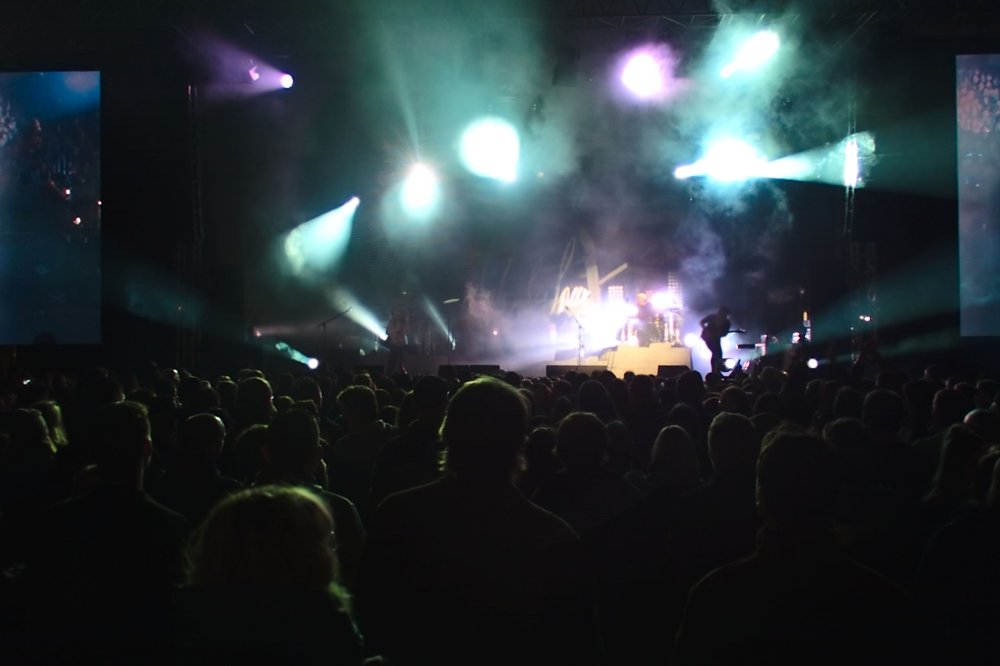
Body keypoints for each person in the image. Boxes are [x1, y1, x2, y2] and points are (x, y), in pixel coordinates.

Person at [699, 306, 732, 375]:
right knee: (715, 353)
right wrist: (706, 330)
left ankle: (716, 371)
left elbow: (724, 334)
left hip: (716, 339)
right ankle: (715, 371)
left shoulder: (727, 323)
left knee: (719, 354)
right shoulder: (712, 317)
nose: (721, 315)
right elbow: (701, 322)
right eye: (720, 313)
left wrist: (719, 333)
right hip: (707, 338)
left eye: (723, 314)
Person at [385, 304, 409, 376]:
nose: (398, 313)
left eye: (400, 312)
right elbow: (387, 332)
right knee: (391, 362)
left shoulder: (404, 323)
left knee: (401, 363)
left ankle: (402, 376)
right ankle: (389, 376)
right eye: (397, 311)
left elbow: (405, 332)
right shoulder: (391, 322)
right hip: (393, 345)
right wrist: (395, 330)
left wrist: (398, 331)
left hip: (401, 345)